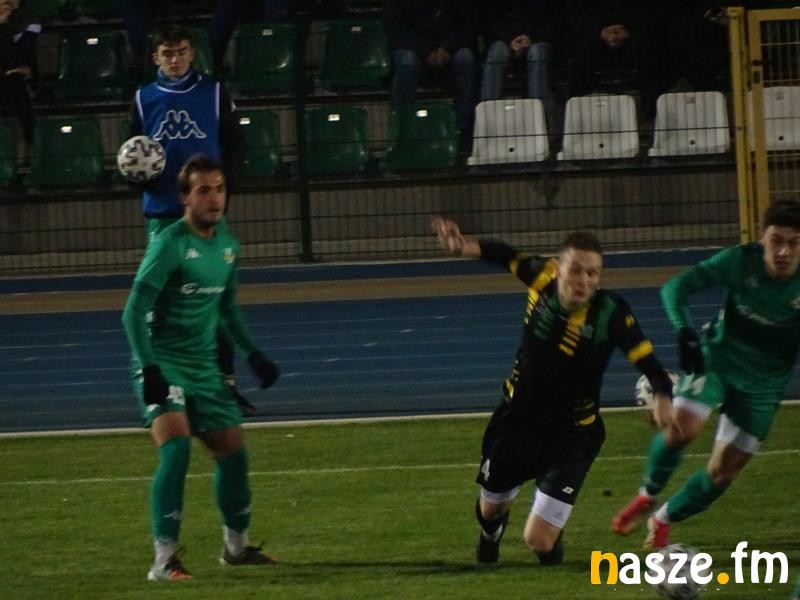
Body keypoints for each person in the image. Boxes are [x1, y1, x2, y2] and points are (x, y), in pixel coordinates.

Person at [431, 217, 674, 565]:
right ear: (558, 268)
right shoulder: (541, 276)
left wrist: (663, 397)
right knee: (491, 508)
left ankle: (549, 545)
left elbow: (651, 366)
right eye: (576, 270)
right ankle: (491, 533)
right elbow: (505, 255)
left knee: (540, 541)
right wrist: (463, 246)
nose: (584, 280)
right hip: (517, 422)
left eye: (592, 273)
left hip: (573, 433)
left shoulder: (610, 313)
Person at [121, 154, 280, 581]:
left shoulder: (228, 244)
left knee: (234, 455)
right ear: (185, 198)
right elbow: (132, 312)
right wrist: (150, 369)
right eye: (204, 190)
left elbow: (227, 308)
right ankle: (164, 560)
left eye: (220, 189)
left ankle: (236, 549)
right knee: (176, 450)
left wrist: (253, 354)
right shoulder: (169, 244)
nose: (215, 198)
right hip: (163, 363)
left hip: (203, 367)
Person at [611, 200, 800, 548]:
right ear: (762, 238)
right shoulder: (739, 261)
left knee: (723, 472)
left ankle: (663, 517)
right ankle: (647, 495)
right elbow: (675, 288)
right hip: (719, 359)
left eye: (794, 242)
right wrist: (684, 330)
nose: (784, 251)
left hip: (765, 383)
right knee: (682, 428)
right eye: (776, 240)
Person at [129, 24, 253, 416]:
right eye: (167, 53)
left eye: (182, 51)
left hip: (206, 218)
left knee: (214, 301)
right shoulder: (143, 99)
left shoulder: (214, 93)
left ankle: (226, 385)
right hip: (163, 215)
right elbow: (132, 153)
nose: (176, 59)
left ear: (192, 53)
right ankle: (166, 386)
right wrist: (139, 177)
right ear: (156, 57)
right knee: (159, 306)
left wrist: (220, 194)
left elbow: (236, 145)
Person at [382, 0, 479, 148]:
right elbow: (395, 29)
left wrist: (447, 48)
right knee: (407, 62)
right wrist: (426, 51)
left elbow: (469, 24)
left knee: (466, 58)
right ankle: (401, 127)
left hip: (448, 47)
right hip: (413, 47)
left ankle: (462, 128)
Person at [478, 0, 564, 119]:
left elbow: (558, 19)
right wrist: (510, 40)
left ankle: (539, 118)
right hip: (506, 40)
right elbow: (490, 20)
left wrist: (532, 38)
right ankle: (487, 117)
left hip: (538, 39)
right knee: (497, 52)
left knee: (537, 53)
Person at [0, 0, 40, 145]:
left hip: (15, 80)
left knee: (16, 82)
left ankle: (33, 145)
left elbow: (17, 59)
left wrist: (3, 25)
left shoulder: (28, 22)